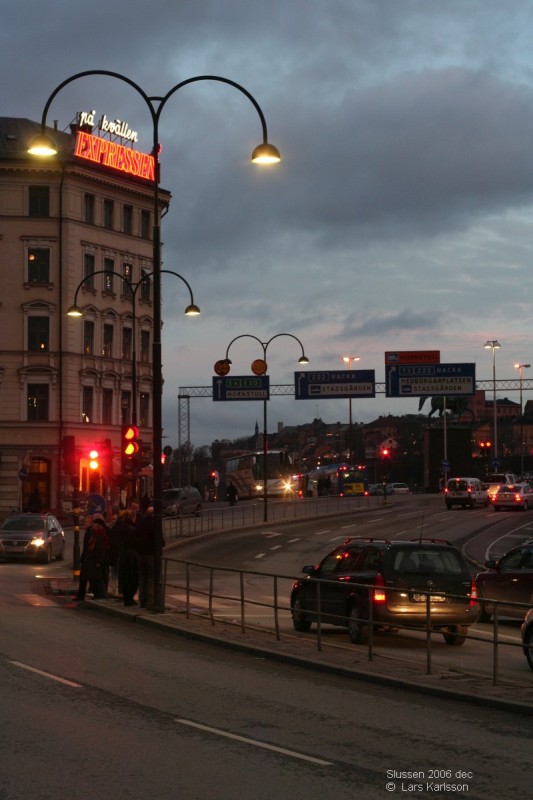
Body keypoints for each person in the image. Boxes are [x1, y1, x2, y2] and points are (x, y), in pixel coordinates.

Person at [76, 514, 110, 601]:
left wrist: (99, 560)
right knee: (93, 578)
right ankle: (97, 595)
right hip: (91, 560)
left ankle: (100, 595)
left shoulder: (100, 535)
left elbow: (100, 549)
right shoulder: (94, 534)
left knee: (97, 579)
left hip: (95, 561)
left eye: (92, 523)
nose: (91, 525)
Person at [118, 501, 141, 606]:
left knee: (135, 577)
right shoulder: (123, 521)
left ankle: (130, 597)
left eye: (136, 508)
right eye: (133, 507)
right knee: (127, 577)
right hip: (126, 553)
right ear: (129, 508)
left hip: (136, 552)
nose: (134, 510)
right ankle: (127, 598)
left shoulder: (140, 519)